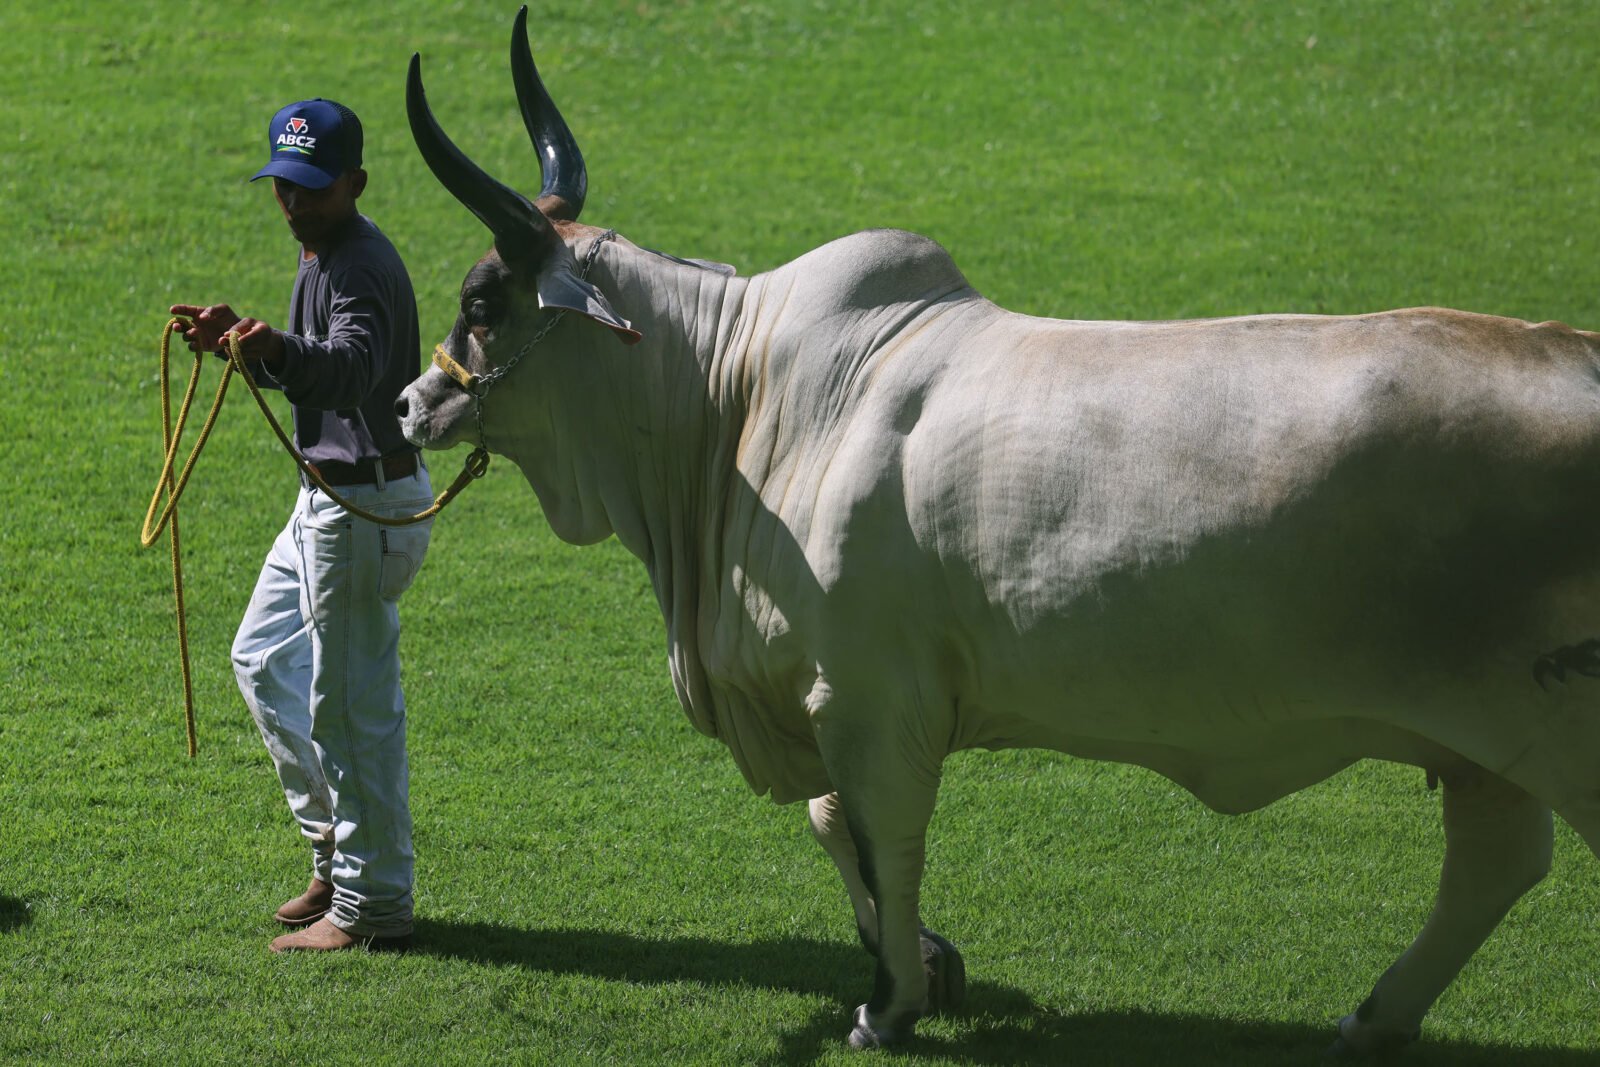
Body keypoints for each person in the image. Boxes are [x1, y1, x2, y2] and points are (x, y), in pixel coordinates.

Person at [170, 98, 430, 953]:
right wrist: (237, 342)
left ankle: (372, 904)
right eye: (284, 184)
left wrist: (275, 351)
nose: (293, 202)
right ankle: (332, 842)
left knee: (351, 711)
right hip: (326, 499)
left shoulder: (357, 265)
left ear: (354, 181)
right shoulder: (320, 249)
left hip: (362, 508)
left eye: (312, 188)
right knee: (260, 657)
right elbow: (311, 361)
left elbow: (352, 368)